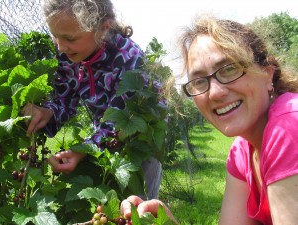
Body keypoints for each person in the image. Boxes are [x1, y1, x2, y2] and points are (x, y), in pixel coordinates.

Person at [120, 15, 298, 225]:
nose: (215, 92)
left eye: (229, 69)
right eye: (198, 81)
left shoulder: (289, 124)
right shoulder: (242, 151)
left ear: (268, 74)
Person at [22, 0, 163, 200]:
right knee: (108, 195)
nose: (61, 47)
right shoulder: (68, 54)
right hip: (106, 128)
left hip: (142, 130)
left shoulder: (129, 58)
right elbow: (63, 97)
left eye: (69, 38)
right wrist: (48, 112)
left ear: (103, 29)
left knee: (140, 194)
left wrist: (82, 150)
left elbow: (120, 121)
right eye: (55, 36)